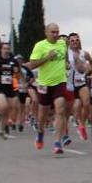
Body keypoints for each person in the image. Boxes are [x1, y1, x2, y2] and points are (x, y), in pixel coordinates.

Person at [26, 23, 70, 155]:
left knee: (60, 109)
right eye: (53, 32)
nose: (56, 34)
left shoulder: (62, 43)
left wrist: (66, 63)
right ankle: (40, 133)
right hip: (44, 83)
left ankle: (57, 142)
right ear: (46, 32)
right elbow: (32, 65)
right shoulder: (40, 46)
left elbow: (65, 56)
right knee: (42, 114)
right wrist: (47, 58)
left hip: (60, 82)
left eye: (57, 32)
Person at [0, 41, 21, 138]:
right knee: (4, 106)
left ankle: (1, 131)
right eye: (5, 48)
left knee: (8, 110)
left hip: (10, 87)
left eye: (8, 49)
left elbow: (17, 74)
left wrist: (16, 74)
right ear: (1, 50)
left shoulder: (13, 61)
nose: (6, 50)